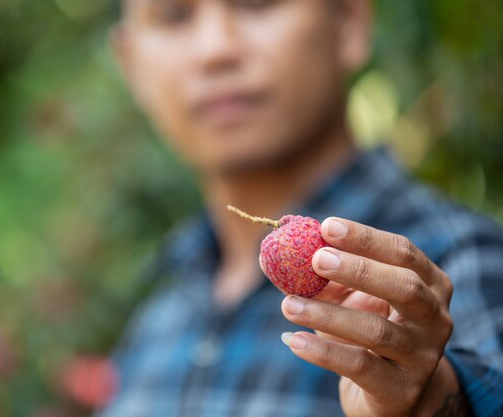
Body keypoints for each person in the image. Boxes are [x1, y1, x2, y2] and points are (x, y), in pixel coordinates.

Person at [100, 0, 503, 416]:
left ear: (349, 22)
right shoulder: (155, 320)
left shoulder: (460, 264)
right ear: (131, 66)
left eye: (256, 4)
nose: (215, 49)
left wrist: (432, 395)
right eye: (174, 15)